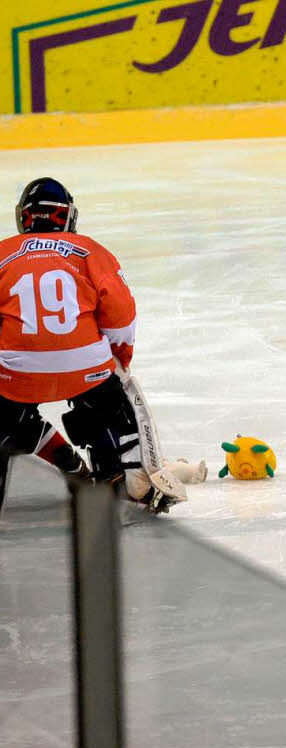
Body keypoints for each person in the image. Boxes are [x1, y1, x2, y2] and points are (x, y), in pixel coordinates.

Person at [0, 177, 162, 510]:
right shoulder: (90, 250)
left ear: (24, 217)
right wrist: (118, 360)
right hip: (85, 368)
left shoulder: (2, 252)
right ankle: (120, 471)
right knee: (109, 406)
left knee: (7, 419)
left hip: (16, 376)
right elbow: (121, 320)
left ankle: (57, 455)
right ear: (67, 217)